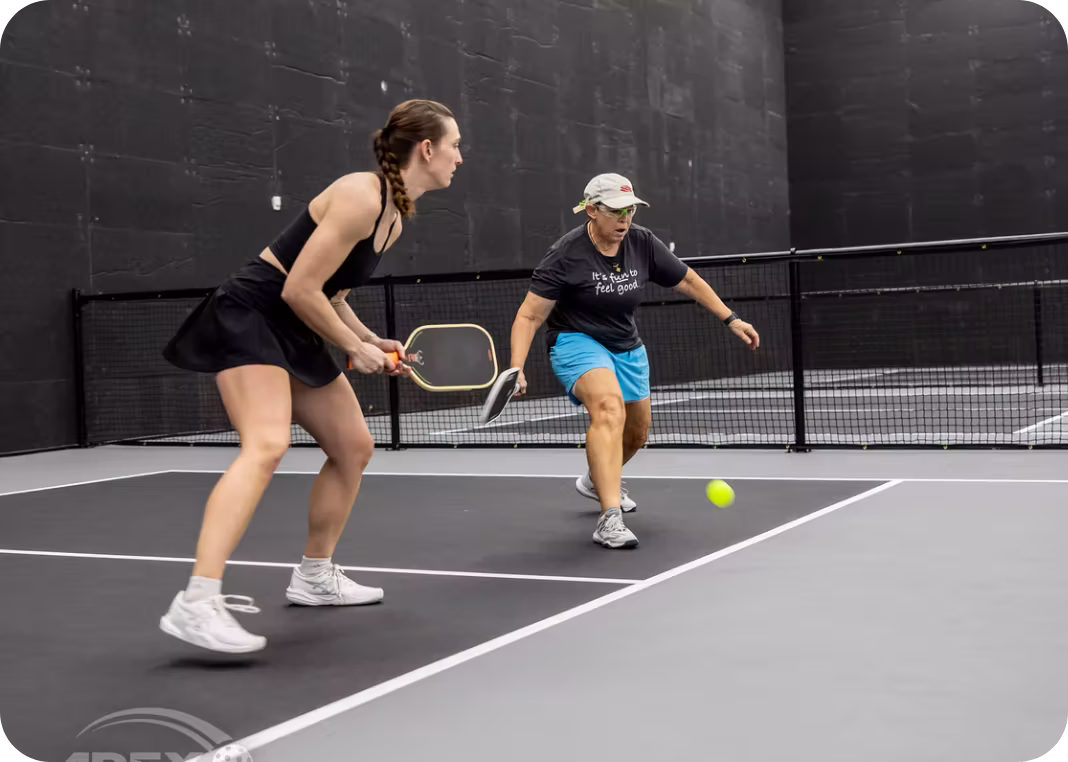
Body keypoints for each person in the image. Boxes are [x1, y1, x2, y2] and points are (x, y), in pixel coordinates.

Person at [158, 99, 463, 653]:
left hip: (293, 326)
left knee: (354, 447)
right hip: (249, 314)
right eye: (455, 145)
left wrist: (369, 338)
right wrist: (350, 347)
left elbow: (331, 294)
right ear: (426, 149)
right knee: (267, 445)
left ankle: (314, 577)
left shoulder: (394, 217)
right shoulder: (359, 195)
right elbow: (297, 288)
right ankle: (196, 602)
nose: (459, 158)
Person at [507, 173, 760, 549]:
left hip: (626, 343)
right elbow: (529, 316)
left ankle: (596, 479)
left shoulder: (642, 242)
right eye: (615, 211)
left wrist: (731, 318)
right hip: (576, 340)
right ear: (592, 211)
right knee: (609, 409)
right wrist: (517, 366)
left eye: (630, 210)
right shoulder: (565, 255)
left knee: (638, 432)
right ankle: (609, 519)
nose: (625, 218)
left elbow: (688, 281)